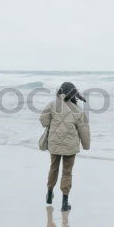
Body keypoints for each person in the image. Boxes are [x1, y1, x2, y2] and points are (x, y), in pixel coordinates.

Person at [39, 81, 90, 211]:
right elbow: (84, 129)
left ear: (60, 91)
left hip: (54, 144)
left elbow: (43, 122)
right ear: (74, 93)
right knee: (67, 173)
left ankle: (49, 192)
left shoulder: (52, 105)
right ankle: (64, 203)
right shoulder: (78, 110)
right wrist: (86, 145)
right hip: (70, 146)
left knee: (53, 168)